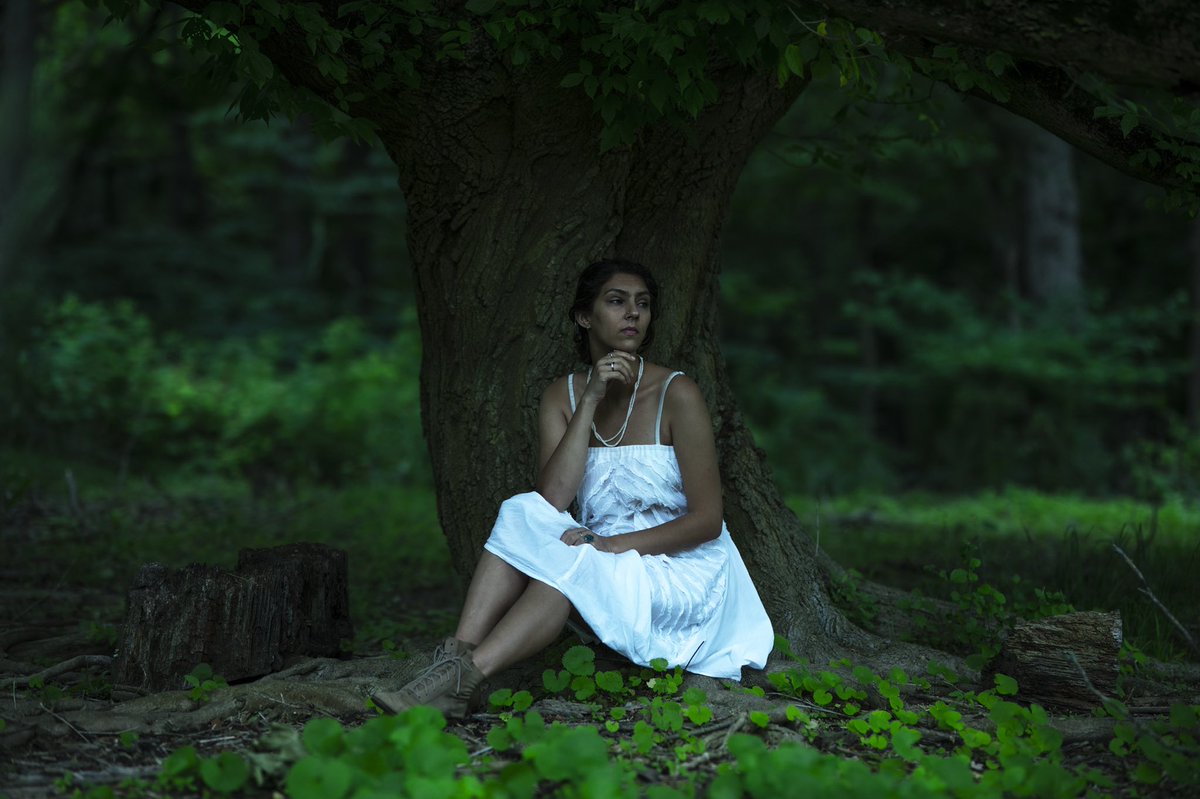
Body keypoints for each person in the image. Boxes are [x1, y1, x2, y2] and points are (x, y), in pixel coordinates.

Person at [373, 259, 773, 718]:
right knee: (522, 510)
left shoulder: (676, 393)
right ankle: (454, 661)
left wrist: (610, 545)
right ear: (585, 316)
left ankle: (458, 681)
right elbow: (552, 503)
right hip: (596, 558)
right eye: (617, 301)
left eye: (642, 304)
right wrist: (589, 401)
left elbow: (707, 521)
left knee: (573, 564)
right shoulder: (560, 396)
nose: (633, 315)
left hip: (679, 570)